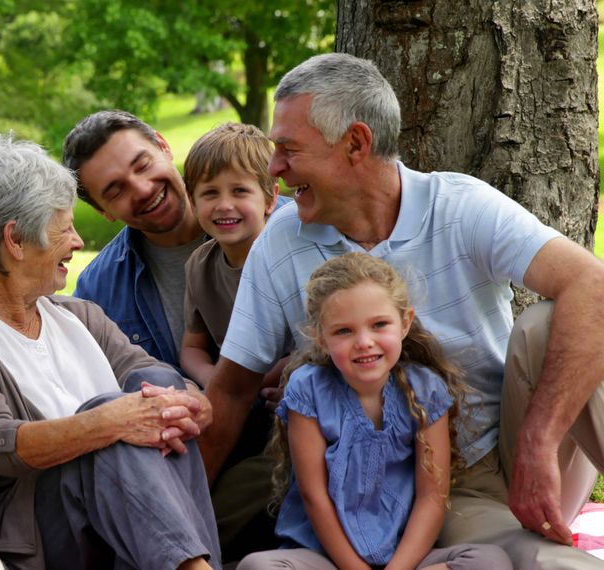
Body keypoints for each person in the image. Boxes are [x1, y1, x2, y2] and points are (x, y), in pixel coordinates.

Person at [200, 52, 604, 568]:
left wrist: (538, 443)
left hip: (498, 459)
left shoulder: (460, 206)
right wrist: (180, 536)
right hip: (397, 491)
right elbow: (232, 391)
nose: (274, 169)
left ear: (355, 144)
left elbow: (591, 284)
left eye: (288, 150)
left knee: (555, 319)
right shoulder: (282, 240)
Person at [0, 134, 221, 570]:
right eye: (63, 226)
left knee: (152, 402)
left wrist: (190, 400)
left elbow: (153, 374)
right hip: (33, 538)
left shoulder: (79, 315)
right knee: (114, 423)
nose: (78, 241)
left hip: (117, 530)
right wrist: (107, 422)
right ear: (16, 240)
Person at [239, 253, 511, 570]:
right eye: (344, 331)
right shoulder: (308, 390)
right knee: (257, 567)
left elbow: (431, 498)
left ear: (405, 322)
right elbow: (315, 497)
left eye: (379, 324)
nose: (364, 342)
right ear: (320, 337)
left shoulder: (425, 391)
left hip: (405, 557)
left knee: (489, 561)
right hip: (323, 557)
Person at [63, 110, 205, 370]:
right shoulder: (97, 294)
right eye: (116, 191)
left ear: (163, 146)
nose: (143, 189)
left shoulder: (278, 227)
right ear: (103, 211)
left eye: (142, 166)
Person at [179, 122, 283, 388]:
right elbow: (192, 349)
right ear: (192, 202)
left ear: (270, 198)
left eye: (240, 191)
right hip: (234, 390)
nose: (224, 205)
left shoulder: (287, 255)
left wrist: (252, 384)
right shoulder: (199, 267)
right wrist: (213, 380)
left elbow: (311, 343)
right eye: (210, 193)